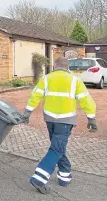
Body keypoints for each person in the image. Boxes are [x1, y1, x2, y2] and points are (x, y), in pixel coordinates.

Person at [22, 56, 97, 194]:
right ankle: (39, 178)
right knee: (57, 148)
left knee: (57, 147)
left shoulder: (46, 79)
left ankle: (64, 176)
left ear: (55, 65)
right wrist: (91, 118)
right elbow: (86, 100)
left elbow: (35, 96)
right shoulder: (75, 80)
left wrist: (27, 112)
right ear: (68, 67)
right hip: (66, 121)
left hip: (50, 119)